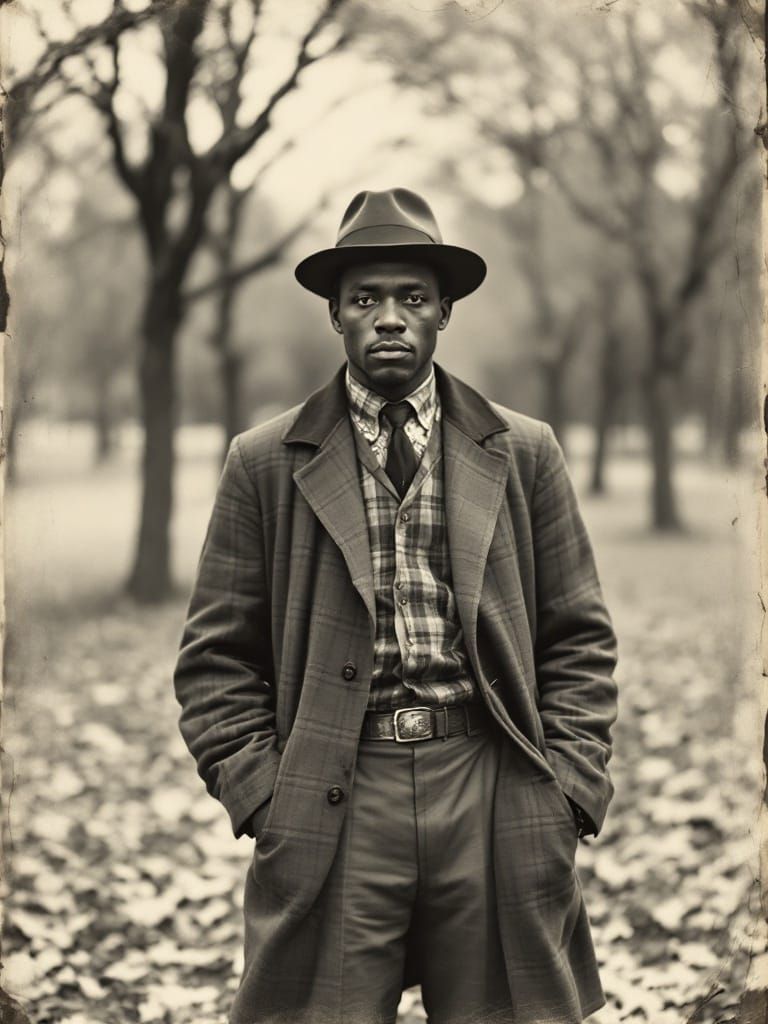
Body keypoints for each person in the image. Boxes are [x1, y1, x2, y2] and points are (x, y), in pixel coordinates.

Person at [173, 187, 618, 1024]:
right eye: (365, 299)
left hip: (489, 782)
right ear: (334, 316)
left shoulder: (524, 452)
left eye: (412, 297)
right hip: (336, 791)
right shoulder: (265, 461)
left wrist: (569, 787)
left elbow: (580, 637)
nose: (388, 317)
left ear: (444, 312)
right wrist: (267, 796)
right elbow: (214, 660)